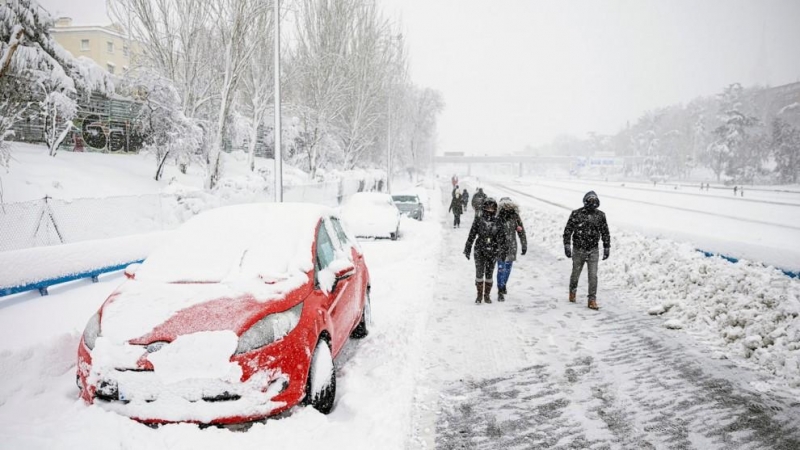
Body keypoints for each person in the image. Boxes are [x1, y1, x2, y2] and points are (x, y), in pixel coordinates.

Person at [563, 191, 611, 310]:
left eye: (594, 201)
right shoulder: (576, 214)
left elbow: (605, 232)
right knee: (575, 273)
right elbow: (568, 230)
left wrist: (606, 247)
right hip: (578, 249)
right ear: (585, 201)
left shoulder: (600, 215)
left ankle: (592, 300)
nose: (592, 203)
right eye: (590, 200)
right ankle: (572, 292)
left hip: (593, 250)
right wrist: (567, 245)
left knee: (593, 276)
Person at [464, 198, 506, 304]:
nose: (490, 209)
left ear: (495, 209)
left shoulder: (498, 221)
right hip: (479, 250)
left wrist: (503, 251)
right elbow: (472, 235)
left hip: (493, 250)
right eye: (488, 207)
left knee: (489, 274)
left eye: (492, 207)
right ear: (484, 208)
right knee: (479, 273)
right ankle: (479, 295)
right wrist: (467, 248)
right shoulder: (478, 219)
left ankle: (487, 295)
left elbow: (502, 238)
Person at [496, 197, 527, 302]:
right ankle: (500, 290)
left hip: (512, 247)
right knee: (501, 269)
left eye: (508, 205)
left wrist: (524, 244)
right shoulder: (497, 217)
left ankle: (503, 284)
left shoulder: (515, 217)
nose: (507, 207)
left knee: (507, 269)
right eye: (505, 205)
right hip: (499, 247)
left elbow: (521, 232)